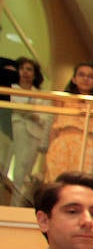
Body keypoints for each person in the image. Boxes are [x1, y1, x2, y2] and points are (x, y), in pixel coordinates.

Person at [45, 63, 93, 180]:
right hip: (61, 145)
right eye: (81, 75)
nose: (85, 79)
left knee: (81, 182)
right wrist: (51, 148)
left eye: (90, 76)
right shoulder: (63, 100)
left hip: (87, 147)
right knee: (57, 182)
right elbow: (54, 127)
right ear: (74, 79)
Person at [6, 57, 50, 206]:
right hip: (10, 131)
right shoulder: (9, 88)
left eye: (29, 69)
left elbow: (45, 118)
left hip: (32, 135)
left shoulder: (42, 95)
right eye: (22, 68)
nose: (25, 72)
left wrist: (30, 113)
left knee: (22, 173)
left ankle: (15, 206)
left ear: (35, 74)